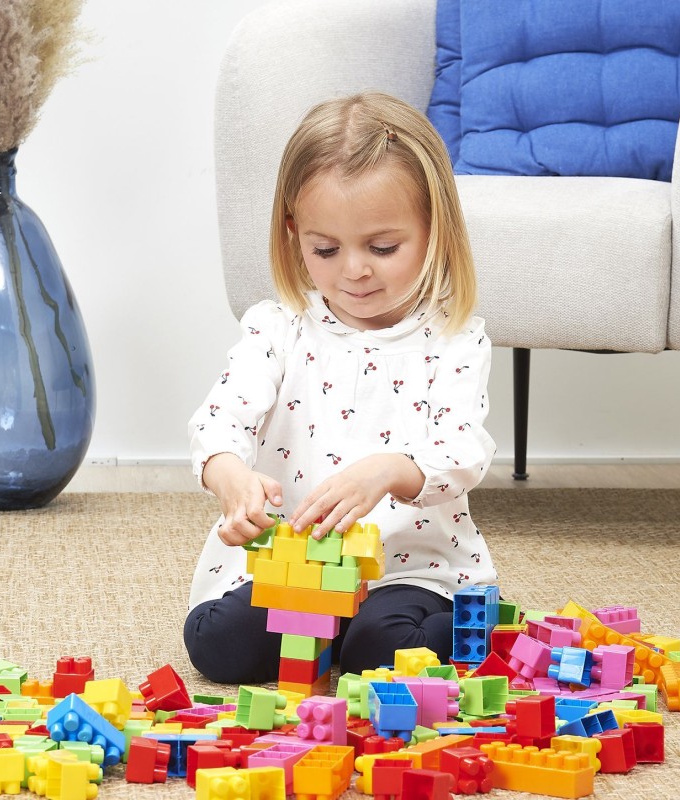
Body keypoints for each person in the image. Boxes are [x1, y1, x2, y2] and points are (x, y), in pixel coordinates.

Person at [184, 92, 497, 684]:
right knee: (215, 643)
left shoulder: (452, 340)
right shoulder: (278, 327)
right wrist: (231, 478)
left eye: (383, 247)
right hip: (298, 565)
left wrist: (389, 470)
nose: (354, 270)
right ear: (294, 232)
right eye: (325, 249)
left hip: (408, 570)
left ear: (434, 228)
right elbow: (219, 420)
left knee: (382, 650)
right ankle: (335, 632)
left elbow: (463, 452)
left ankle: (458, 625)